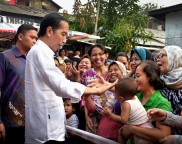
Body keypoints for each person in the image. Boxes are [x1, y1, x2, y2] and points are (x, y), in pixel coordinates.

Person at [25, 12, 117, 144]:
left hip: (49, 124)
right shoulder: (39, 52)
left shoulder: (42, 53)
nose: (64, 40)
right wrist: (96, 90)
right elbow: (60, 85)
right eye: (63, 34)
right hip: (46, 129)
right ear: (50, 31)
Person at [0, 24, 37, 144]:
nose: (34, 41)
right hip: (10, 122)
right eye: (32, 37)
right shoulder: (5, 57)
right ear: (20, 36)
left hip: (31, 123)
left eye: (36, 38)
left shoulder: (33, 60)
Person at [120, 61, 172, 143]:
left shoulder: (161, 103)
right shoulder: (136, 96)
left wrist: (133, 129)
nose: (135, 80)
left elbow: (164, 134)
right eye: (134, 76)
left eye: (138, 76)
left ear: (150, 77)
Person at [103, 77, 153, 144]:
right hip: (147, 126)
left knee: (121, 132)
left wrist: (110, 115)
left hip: (140, 130)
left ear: (121, 98)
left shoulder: (126, 104)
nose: (114, 96)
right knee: (122, 132)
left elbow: (123, 120)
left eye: (115, 94)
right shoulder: (135, 97)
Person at [155, 46, 182, 115]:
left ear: (173, 58)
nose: (158, 59)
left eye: (161, 56)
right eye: (157, 56)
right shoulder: (158, 80)